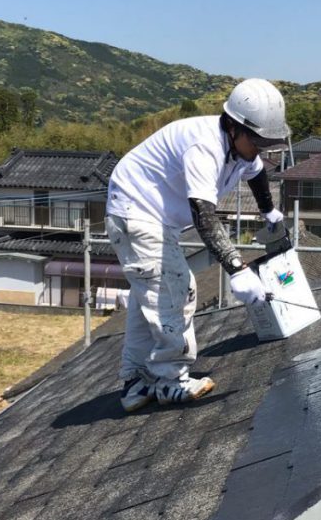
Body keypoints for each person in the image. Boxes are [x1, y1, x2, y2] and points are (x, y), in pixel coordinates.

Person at [105, 78, 290, 412]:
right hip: (134, 212)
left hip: (147, 217)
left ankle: (135, 381)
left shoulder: (241, 148)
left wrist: (269, 211)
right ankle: (170, 380)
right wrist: (237, 268)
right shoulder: (205, 146)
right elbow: (204, 214)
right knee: (177, 288)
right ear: (234, 127)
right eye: (257, 141)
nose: (260, 149)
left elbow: (258, 173)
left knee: (149, 296)